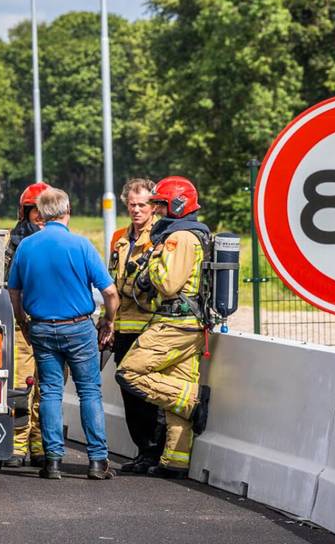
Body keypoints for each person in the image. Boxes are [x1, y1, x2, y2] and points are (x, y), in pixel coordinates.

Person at [7, 187, 120, 480]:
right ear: (67, 211)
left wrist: (22, 320)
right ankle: (97, 461)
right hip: (79, 327)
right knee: (89, 392)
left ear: (41, 214)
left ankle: (53, 461)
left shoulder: (26, 247)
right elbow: (109, 291)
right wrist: (109, 320)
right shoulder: (81, 246)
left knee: (50, 394)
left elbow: (14, 290)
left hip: (42, 327)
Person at [115, 176, 213, 478]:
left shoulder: (178, 237)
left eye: (160, 203)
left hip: (174, 322)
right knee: (177, 385)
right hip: (192, 324)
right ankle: (175, 461)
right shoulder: (195, 234)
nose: (156, 209)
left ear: (177, 204)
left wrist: (151, 268)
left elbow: (168, 283)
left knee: (128, 372)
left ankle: (192, 403)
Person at [0, 182, 49, 467]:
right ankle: (16, 447)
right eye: (34, 211)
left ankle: (40, 447)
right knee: (20, 388)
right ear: (23, 213)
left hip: (50, 326)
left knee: (46, 390)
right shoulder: (8, 242)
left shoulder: (61, 242)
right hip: (19, 326)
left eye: (45, 210)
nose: (40, 216)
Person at [101, 178, 165, 473]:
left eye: (143, 205)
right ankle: (142, 450)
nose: (137, 210)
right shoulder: (119, 237)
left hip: (150, 325)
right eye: (132, 205)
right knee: (128, 390)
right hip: (124, 326)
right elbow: (111, 283)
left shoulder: (162, 235)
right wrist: (108, 321)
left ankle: (153, 450)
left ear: (154, 206)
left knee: (146, 391)